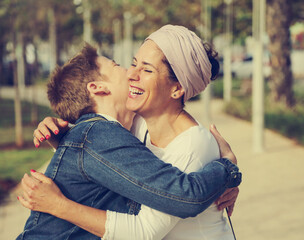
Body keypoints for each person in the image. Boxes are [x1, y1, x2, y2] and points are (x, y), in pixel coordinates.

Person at [17, 37, 241, 240]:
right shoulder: (116, 130)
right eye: (128, 64)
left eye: (147, 70)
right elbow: (94, 159)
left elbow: (173, 204)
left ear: (177, 88)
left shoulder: (184, 140)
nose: (131, 73)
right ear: (98, 88)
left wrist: (228, 170)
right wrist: (65, 142)